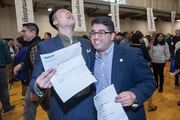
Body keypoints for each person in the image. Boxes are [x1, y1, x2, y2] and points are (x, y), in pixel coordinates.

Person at [30, 7, 96, 120]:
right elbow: (35, 80)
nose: (69, 12)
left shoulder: (87, 43)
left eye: (69, 11)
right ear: (55, 22)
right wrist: (38, 86)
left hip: (89, 104)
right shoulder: (45, 47)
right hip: (64, 108)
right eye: (63, 12)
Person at [89, 16, 156, 120]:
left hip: (127, 115)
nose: (96, 37)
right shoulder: (88, 58)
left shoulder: (131, 55)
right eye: (93, 33)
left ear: (112, 35)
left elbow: (149, 82)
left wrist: (134, 94)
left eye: (101, 33)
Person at [14, 23, 50, 120]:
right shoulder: (35, 44)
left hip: (36, 84)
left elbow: (37, 69)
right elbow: (34, 62)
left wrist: (34, 89)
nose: (22, 33)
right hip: (43, 84)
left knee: (28, 114)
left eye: (24, 31)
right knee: (48, 107)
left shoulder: (35, 46)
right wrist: (21, 65)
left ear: (33, 32)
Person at [0, 39, 15, 114]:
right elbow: (8, 57)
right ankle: (7, 107)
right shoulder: (2, 42)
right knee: (3, 89)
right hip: (1, 68)